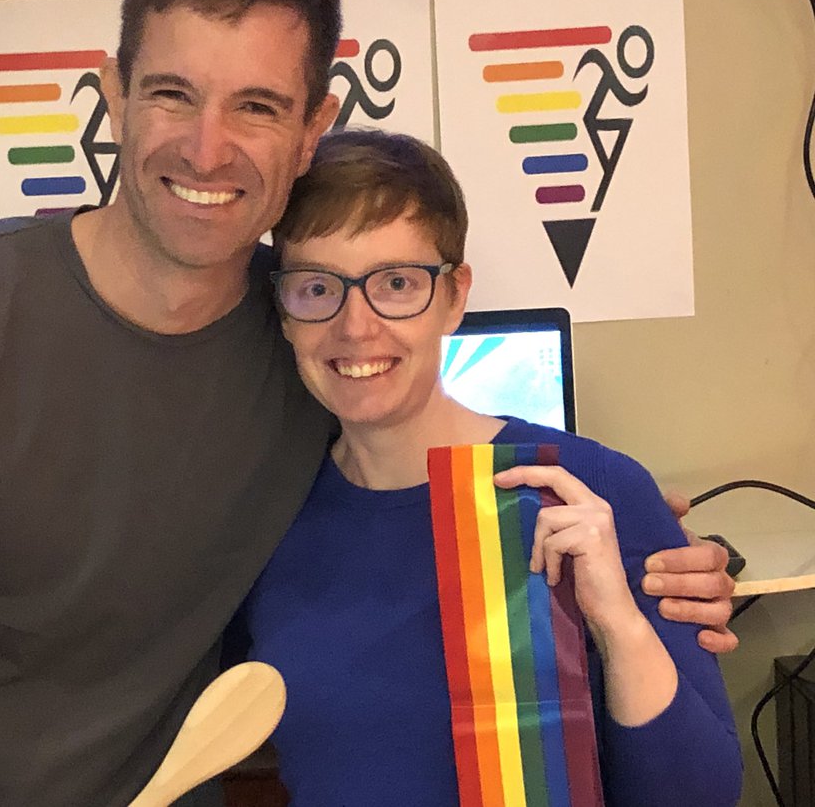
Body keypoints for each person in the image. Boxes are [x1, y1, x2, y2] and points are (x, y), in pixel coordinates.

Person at [0, 0, 737, 807]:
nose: (207, 148)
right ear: (113, 93)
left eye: (255, 105)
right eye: (173, 93)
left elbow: (427, 457)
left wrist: (649, 556)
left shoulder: (321, 337)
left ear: (311, 126)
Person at [242, 128, 742, 805]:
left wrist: (618, 623)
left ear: (453, 296)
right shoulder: (264, 519)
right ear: (284, 310)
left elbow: (701, 795)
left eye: (396, 283)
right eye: (316, 288)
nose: (356, 327)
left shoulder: (590, 492)